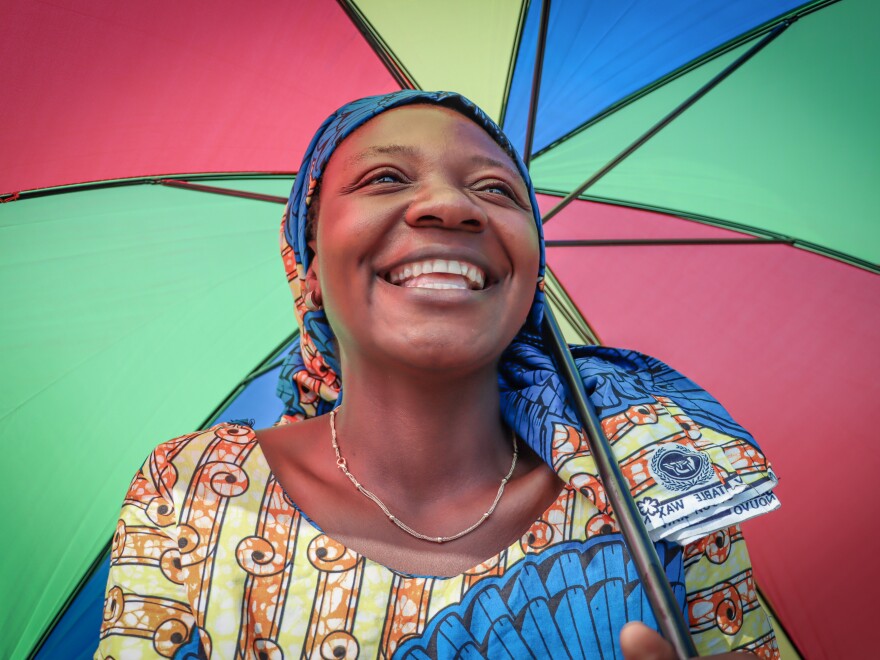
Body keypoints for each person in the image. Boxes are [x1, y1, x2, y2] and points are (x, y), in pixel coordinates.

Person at [96, 91, 780, 659]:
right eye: (386, 178)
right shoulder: (190, 493)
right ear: (306, 263)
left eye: (494, 189)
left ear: (533, 272)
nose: (452, 207)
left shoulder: (657, 486)